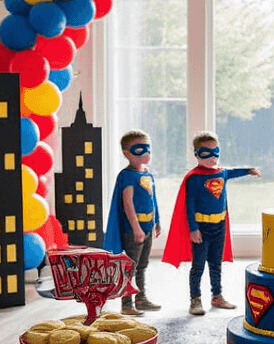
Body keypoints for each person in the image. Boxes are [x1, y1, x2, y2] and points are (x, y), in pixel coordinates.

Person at [162, 131, 260, 315]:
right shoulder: (195, 177)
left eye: (216, 152)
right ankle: (195, 299)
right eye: (206, 153)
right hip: (201, 227)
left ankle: (217, 296)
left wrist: (249, 170)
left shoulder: (221, 172)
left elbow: (233, 171)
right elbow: (189, 205)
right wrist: (193, 229)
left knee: (216, 264)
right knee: (198, 265)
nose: (212, 157)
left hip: (219, 226)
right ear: (197, 154)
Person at [102, 130, 161, 316]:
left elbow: (153, 200)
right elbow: (127, 204)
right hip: (134, 229)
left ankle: (141, 299)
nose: (146, 153)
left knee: (142, 265)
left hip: (148, 227)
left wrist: (157, 221)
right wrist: (136, 228)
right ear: (127, 153)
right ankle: (127, 303)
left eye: (148, 148)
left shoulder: (147, 174)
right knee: (130, 267)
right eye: (139, 149)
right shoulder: (127, 176)